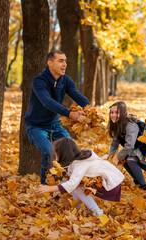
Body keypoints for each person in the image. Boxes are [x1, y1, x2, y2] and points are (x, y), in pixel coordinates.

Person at [25, 50, 90, 184]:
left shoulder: (65, 80)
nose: (65, 64)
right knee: (50, 152)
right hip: (36, 126)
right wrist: (69, 114)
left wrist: (90, 111)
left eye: (65, 61)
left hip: (54, 125)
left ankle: (65, 185)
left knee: (71, 150)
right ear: (50, 63)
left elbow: (78, 96)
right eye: (61, 61)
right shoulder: (39, 81)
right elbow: (47, 101)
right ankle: (44, 189)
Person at [36, 137, 124, 216]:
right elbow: (66, 180)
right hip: (103, 181)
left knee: (77, 188)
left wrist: (49, 188)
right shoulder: (73, 162)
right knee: (75, 186)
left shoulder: (79, 163)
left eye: (57, 154)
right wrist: (54, 193)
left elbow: (72, 183)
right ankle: (78, 209)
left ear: (64, 154)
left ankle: (98, 213)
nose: (55, 156)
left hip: (110, 183)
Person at [108, 101, 146, 190]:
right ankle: (137, 181)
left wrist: (117, 157)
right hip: (135, 150)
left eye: (117, 113)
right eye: (112, 112)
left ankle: (144, 185)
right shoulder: (116, 125)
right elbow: (115, 143)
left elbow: (129, 145)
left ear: (123, 114)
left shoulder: (130, 126)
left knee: (129, 159)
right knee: (124, 159)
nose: (113, 115)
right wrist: (112, 156)